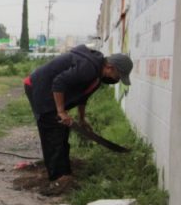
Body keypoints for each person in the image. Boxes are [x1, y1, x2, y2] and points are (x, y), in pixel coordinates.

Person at [24, 46, 132, 190]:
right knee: (53, 131)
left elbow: (82, 95)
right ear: (110, 67)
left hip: (49, 89)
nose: (116, 80)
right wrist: (61, 112)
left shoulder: (97, 75)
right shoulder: (89, 68)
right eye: (118, 76)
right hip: (39, 87)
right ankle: (58, 180)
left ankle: (64, 173)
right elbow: (59, 82)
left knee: (62, 129)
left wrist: (82, 119)